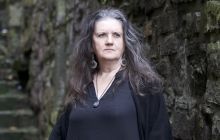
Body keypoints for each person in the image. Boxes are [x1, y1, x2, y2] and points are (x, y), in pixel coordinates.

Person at [49, 7, 172, 140]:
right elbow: (59, 134)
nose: (109, 41)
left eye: (116, 35)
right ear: (91, 44)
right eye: (102, 35)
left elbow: (160, 134)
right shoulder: (80, 85)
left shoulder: (143, 85)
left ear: (125, 42)